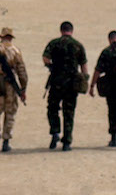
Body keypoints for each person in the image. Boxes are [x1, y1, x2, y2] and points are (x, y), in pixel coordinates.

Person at [42, 21, 87, 151]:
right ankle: (67, 142)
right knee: (69, 112)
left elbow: (45, 58)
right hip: (72, 84)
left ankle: (55, 132)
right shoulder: (78, 45)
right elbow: (84, 65)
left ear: (61, 30)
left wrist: (51, 67)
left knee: (52, 108)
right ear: (71, 31)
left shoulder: (54, 43)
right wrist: (85, 79)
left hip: (56, 81)